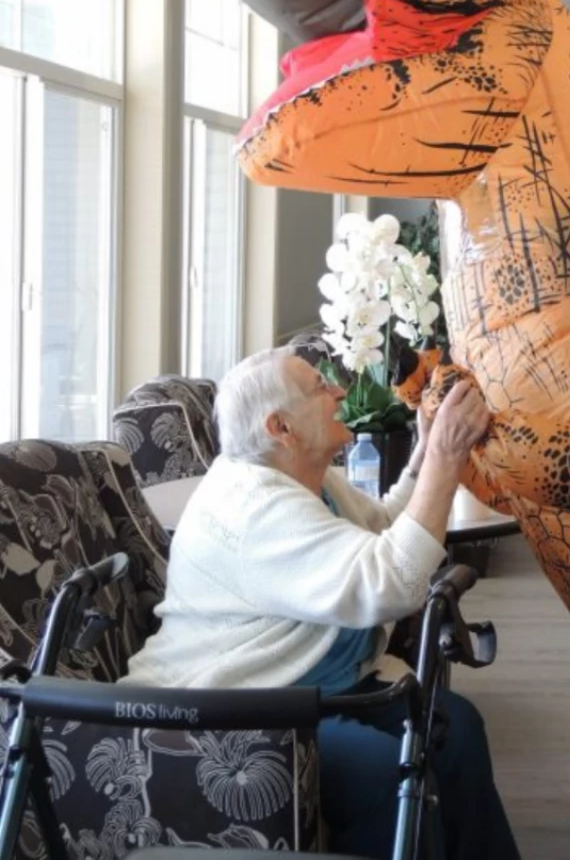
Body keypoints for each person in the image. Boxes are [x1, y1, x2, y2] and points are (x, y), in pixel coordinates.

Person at [122, 346, 521, 860]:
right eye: (319, 387)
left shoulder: (305, 475)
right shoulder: (254, 508)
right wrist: (446, 459)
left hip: (322, 688)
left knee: (456, 728)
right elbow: (391, 580)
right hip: (242, 704)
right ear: (281, 427)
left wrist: (424, 454)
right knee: (383, 769)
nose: (338, 391)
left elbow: (383, 526)